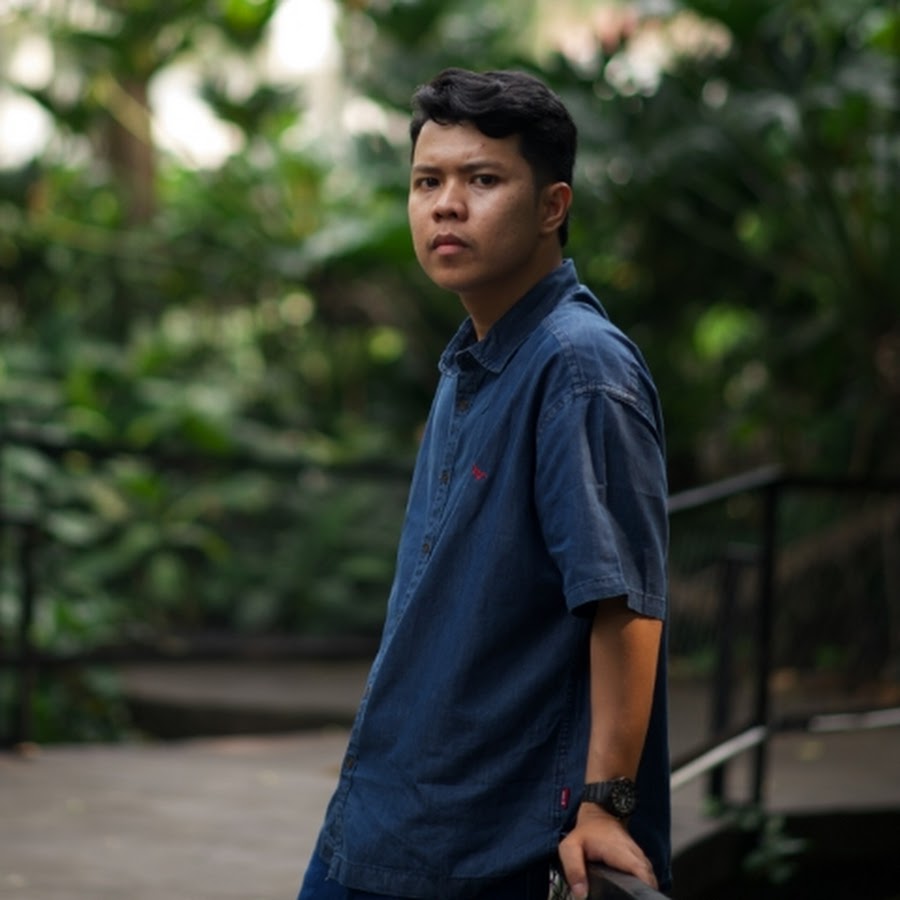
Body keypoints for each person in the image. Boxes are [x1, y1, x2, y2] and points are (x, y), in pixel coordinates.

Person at [296, 67, 671, 900]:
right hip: (395, 811)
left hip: (493, 843)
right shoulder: (474, 359)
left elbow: (625, 603)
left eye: (483, 180)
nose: (446, 206)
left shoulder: (578, 368)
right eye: (427, 182)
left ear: (552, 206)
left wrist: (605, 805)